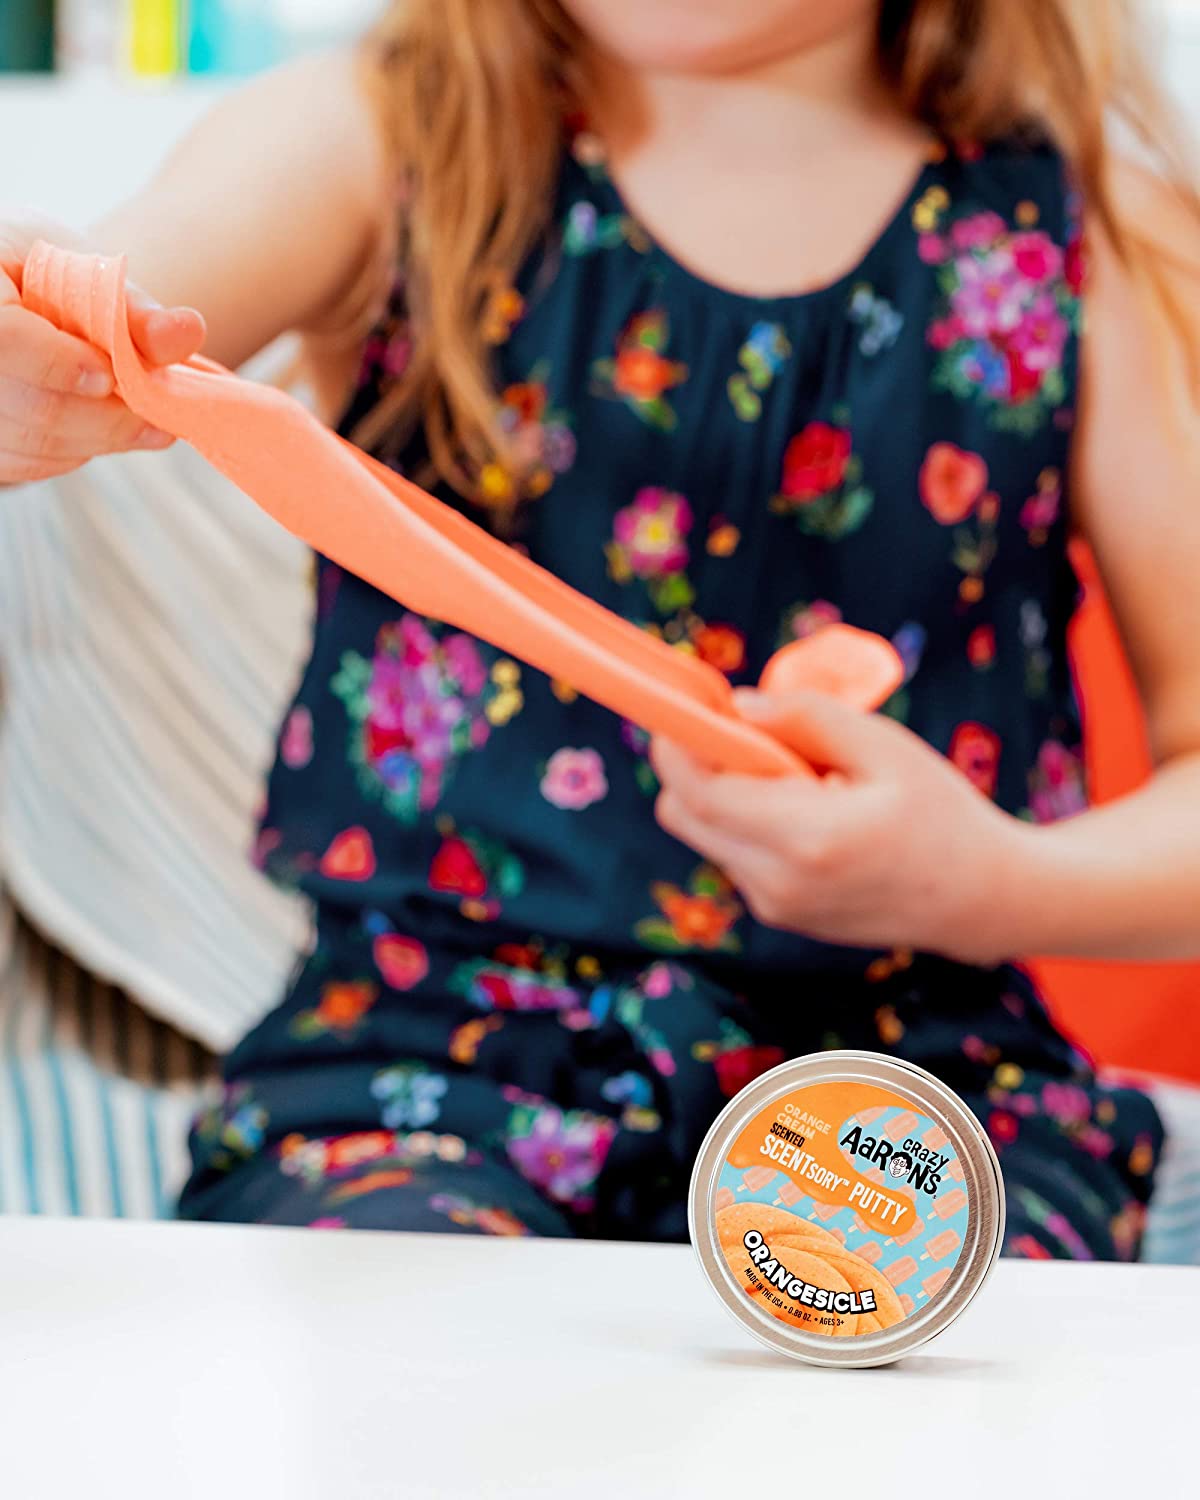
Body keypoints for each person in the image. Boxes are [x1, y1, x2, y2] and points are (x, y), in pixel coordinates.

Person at [2, 0, 1197, 1257]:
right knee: (417, 1345)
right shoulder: (382, 136)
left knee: (929, 1372)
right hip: (423, 1078)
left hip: (918, 1090)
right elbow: (98, 312)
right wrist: (36, 340)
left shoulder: (1092, 234)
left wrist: (994, 884)